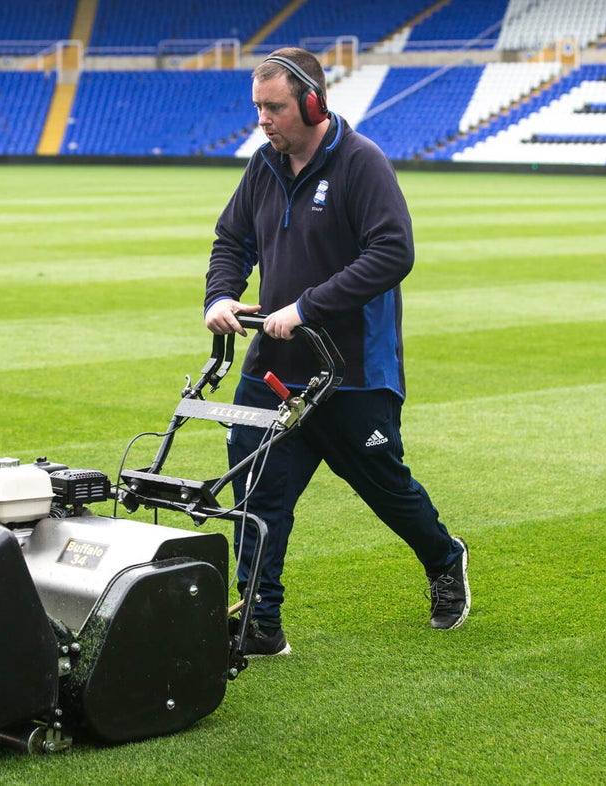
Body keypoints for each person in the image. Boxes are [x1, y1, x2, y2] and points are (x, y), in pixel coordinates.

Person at [204, 47, 470, 655]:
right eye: (258, 108)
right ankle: (260, 625)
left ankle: (443, 557)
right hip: (272, 371)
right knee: (259, 494)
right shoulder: (261, 166)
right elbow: (232, 239)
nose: (264, 120)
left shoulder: (361, 163)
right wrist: (220, 295)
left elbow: (391, 253)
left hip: (351, 371)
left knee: (387, 489)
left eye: (273, 108)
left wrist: (305, 308)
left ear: (312, 102)